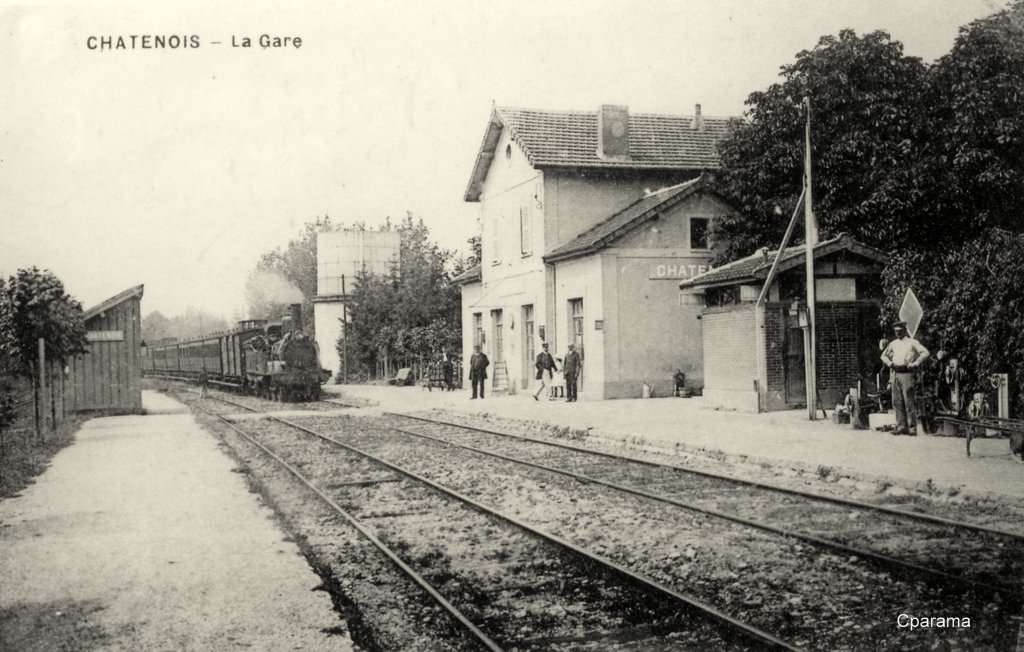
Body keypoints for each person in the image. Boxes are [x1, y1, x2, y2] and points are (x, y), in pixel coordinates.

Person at [880, 321, 930, 435]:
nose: (898, 333)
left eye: (900, 331)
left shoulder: (912, 342)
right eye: (896, 331)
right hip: (896, 373)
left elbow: (925, 353)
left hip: (907, 373)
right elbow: (883, 356)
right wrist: (890, 363)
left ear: (904, 330)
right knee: (897, 401)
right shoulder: (893, 344)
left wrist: (916, 363)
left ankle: (912, 428)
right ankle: (901, 426)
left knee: (909, 401)